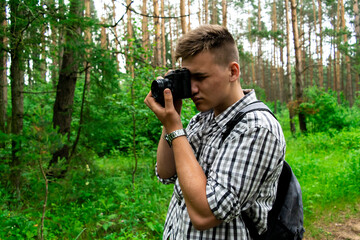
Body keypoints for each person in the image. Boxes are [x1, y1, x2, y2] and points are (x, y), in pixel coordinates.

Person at [144, 24, 286, 240]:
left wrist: (175, 130)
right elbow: (165, 173)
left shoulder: (256, 128)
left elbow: (205, 214)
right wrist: (171, 120)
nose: (192, 89)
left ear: (233, 71)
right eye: (188, 79)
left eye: (200, 78)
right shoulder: (202, 119)